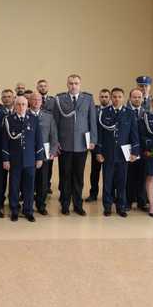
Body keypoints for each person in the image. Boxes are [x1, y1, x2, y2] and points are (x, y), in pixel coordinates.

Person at [53, 74, 97, 216]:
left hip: (81, 145)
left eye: (76, 83)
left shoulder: (88, 99)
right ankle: (65, 204)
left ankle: (78, 204)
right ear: (67, 84)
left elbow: (92, 121)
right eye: (71, 83)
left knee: (78, 176)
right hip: (64, 144)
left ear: (80, 84)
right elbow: (55, 122)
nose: (73, 86)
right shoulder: (60, 99)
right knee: (65, 175)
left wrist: (93, 140)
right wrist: (55, 141)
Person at [95, 88, 140, 217]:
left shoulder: (129, 114)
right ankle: (107, 206)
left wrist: (135, 152)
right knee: (107, 181)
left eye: (119, 97)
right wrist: (98, 152)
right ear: (111, 98)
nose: (116, 99)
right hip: (107, 153)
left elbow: (134, 134)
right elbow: (100, 134)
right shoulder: (103, 113)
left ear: (123, 98)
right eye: (114, 97)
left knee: (122, 181)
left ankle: (121, 206)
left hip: (123, 154)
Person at [2, 96, 44, 222]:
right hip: (14, 161)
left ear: (28, 105)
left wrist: (39, 158)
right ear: (15, 106)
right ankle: (14, 210)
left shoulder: (33, 119)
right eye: (19, 104)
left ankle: (28, 210)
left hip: (30, 160)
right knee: (14, 187)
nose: (21, 107)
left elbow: (39, 140)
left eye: (24, 104)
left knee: (29, 187)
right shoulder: (8, 120)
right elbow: (4, 142)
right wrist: (5, 159)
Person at [29, 93, 58, 216]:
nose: (36, 102)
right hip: (28, 154)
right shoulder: (25, 115)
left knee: (43, 182)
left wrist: (52, 151)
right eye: (34, 100)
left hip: (44, 154)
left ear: (42, 102)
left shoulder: (48, 117)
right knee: (29, 181)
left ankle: (41, 205)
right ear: (29, 101)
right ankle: (28, 204)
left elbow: (53, 136)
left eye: (38, 100)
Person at [87, 89, 111, 202]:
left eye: (106, 97)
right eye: (102, 96)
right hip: (96, 146)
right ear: (99, 97)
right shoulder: (94, 110)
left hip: (109, 147)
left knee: (109, 173)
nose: (104, 99)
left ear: (109, 98)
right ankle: (93, 193)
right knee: (95, 172)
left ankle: (109, 195)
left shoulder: (113, 111)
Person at [126, 88, 147, 211]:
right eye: (134, 97)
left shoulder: (146, 113)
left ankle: (141, 201)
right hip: (129, 150)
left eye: (139, 97)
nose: (137, 99)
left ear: (142, 99)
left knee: (142, 176)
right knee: (130, 177)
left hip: (143, 150)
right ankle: (128, 201)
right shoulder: (125, 112)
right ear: (130, 98)